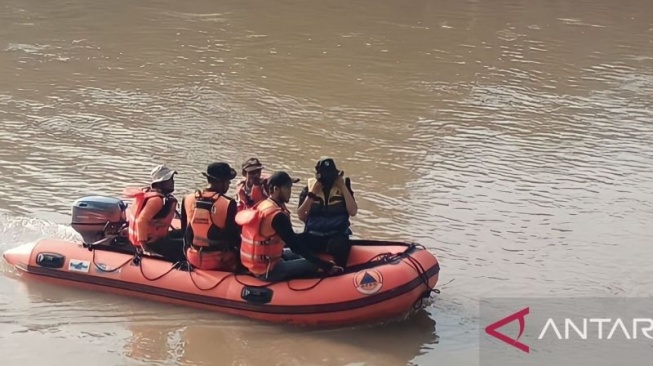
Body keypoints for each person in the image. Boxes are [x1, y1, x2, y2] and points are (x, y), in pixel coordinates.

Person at [235, 171, 342, 282]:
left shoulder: (264, 205)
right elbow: (296, 246)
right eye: (287, 188)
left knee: (298, 255)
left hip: (261, 263)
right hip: (269, 270)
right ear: (276, 189)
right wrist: (326, 265)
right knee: (314, 264)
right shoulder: (277, 216)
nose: (290, 192)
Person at [297, 157, 358, 267]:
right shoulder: (309, 189)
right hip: (314, 235)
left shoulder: (344, 189)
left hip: (336, 236)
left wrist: (343, 187)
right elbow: (301, 215)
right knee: (298, 243)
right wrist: (312, 193)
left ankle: (340, 273)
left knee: (340, 246)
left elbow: (353, 211)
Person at [180, 163, 241, 271]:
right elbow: (233, 238)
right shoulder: (228, 203)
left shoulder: (187, 198)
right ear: (220, 182)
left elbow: (184, 231)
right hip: (218, 260)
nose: (228, 184)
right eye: (227, 181)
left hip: (192, 257)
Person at [127, 164, 186, 263]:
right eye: (169, 180)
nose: (172, 182)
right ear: (160, 183)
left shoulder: (155, 196)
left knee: (186, 233)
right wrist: (145, 248)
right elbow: (141, 221)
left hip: (158, 238)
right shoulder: (156, 200)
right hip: (152, 243)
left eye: (172, 179)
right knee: (187, 244)